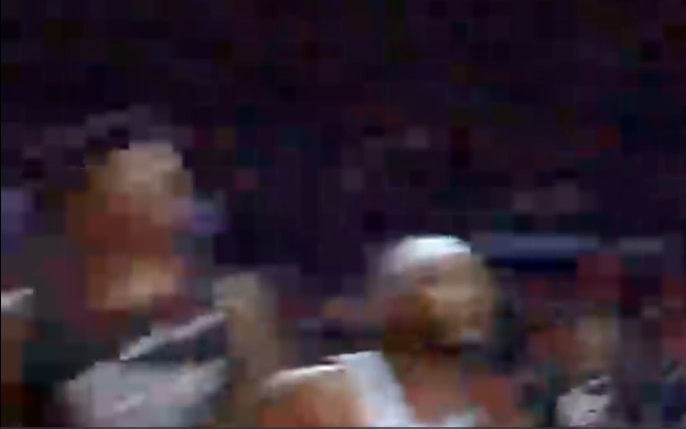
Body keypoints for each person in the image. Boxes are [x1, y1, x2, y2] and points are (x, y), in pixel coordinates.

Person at [1, 109, 284, 427]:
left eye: (175, 180)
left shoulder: (234, 309)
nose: (169, 187)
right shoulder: (23, 323)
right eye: (146, 176)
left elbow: (263, 414)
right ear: (82, 205)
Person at [257, 236, 520, 427]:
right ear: (390, 301)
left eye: (476, 284)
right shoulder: (316, 393)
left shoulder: (494, 406)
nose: (467, 298)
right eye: (436, 281)